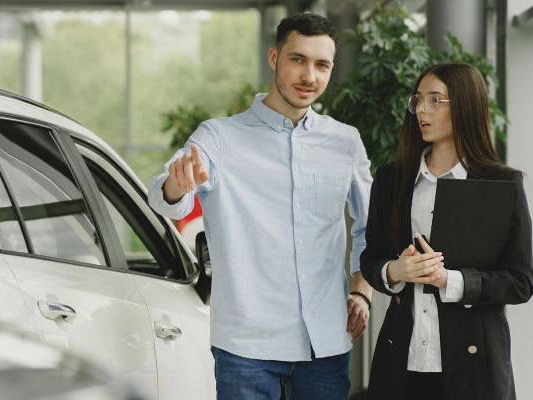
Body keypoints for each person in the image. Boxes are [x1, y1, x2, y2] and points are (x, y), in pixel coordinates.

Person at [146, 12, 374, 400]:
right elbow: (166, 200)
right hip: (246, 347)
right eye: (297, 60)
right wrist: (176, 183)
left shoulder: (345, 142)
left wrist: (362, 288)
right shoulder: (219, 137)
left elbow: (371, 225)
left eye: (322, 65)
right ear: (274, 58)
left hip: (326, 342)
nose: (309, 76)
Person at [360, 63, 533, 400]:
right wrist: (395, 269)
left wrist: (449, 280)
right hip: (401, 362)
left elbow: (519, 282)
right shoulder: (391, 179)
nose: (421, 110)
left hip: (473, 366)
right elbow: (372, 257)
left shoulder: (501, 184)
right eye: (419, 100)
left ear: (466, 106)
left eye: (435, 100)